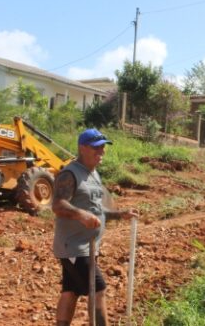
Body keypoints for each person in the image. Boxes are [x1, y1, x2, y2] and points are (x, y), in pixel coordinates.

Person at [52, 128, 139, 326]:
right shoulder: (70, 174)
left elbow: (96, 211)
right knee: (98, 290)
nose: (101, 152)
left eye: (103, 148)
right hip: (74, 247)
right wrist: (80, 215)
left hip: (87, 246)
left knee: (70, 291)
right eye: (96, 148)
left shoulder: (93, 174)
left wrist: (120, 214)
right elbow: (57, 205)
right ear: (83, 148)